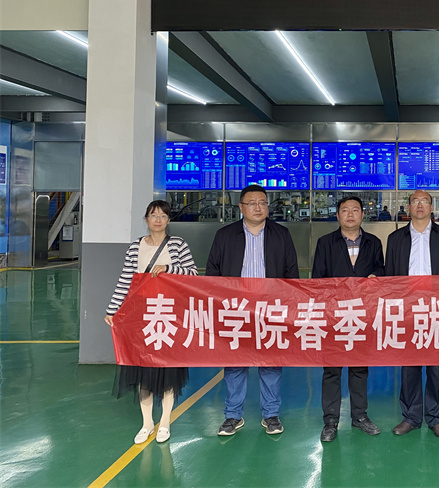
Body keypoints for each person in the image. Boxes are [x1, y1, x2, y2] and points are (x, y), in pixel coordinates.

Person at [206, 184, 299, 437]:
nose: (258, 208)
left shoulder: (281, 234)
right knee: (235, 363)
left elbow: (291, 272)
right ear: (241, 207)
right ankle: (233, 415)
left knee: (271, 363)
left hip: (271, 308)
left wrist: (288, 306)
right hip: (236, 309)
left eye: (262, 203)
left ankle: (271, 415)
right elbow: (213, 272)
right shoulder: (225, 235)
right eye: (252, 203)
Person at [104, 200, 198, 445]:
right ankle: (147, 423)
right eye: (153, 215)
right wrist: (113, 310)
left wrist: (169, 268)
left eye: (163, 216)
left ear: (169, 220)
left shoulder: (178, 244)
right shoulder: (135, 247)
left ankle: (165, 422)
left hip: (171, 314)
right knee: (143, 368)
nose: (158, 220)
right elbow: (126, 280)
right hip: (142, 315)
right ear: (146, 219)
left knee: (169, 369)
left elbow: (193, 274)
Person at [385, 190, 439, 439]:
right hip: (407, 309)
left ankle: (436, 418)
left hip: (437, 308)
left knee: (437, 366)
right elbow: (390, 276)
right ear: (408, 207)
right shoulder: (396, 238)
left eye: (424, 201)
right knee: (409, 365)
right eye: (415, 201)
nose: (419, 205)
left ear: (432, 207)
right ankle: (411, 417)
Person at [311, 196, 385, 442]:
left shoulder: (373, 242)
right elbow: (317, 278)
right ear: (337, 215)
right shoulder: (325, 243)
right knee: (332, 369)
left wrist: (376, 275)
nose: (350, 214)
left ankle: (360, 416)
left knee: (359, 368)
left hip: (362, 314)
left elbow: (382, 269)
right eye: (345, 210)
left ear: (363, 214)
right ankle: (331, 421)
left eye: (355, 210)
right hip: (333, 315)